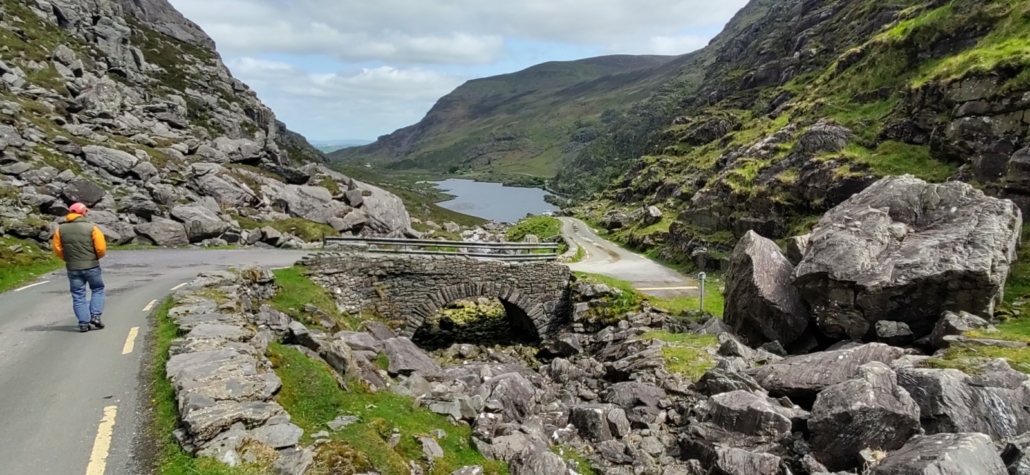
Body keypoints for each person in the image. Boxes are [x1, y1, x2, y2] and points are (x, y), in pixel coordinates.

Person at [52, 202, 107, 333]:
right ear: (82, 212)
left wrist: (68, 259)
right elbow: (101, 248)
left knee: (78, 295)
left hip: (73, 267)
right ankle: (95, 316)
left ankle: (83, 323)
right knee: (98, 289)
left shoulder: (60, 229)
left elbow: (58, 250)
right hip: (91, 265)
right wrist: (95, 258)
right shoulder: (92, 227)